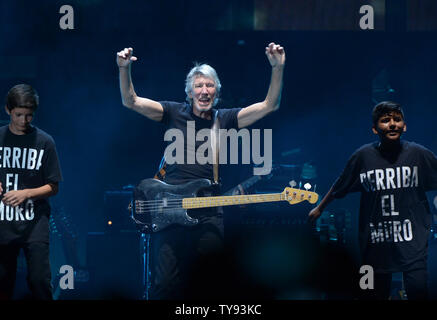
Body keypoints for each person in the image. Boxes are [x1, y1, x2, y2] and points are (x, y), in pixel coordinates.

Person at [117, 43, 285, 299]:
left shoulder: (225, 118)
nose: (204, 91)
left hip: (208, 213)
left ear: (217, 91)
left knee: (211, 285)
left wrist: (278, 68)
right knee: (165, 285)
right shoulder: (173, 113)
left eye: (209, 85)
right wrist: (124, 69)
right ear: (189, 91)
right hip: (169, 213)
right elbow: (131, 101)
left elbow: (269, 105)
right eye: (199, 85)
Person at [309, 101, 437, 300]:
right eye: (385, 120)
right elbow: (340, 183)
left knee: (419, 293)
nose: (392, 124)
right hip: (375, 243)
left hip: (413, 242)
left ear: (405, 126)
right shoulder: (363, 156)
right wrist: (319, 208)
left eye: (397, 119)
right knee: (371, 294)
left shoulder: (418, 153)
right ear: (374, 129)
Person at [0, 84, 63, 300]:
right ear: (8, 110)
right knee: (3, 282)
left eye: (28, 115)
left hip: (35, 223)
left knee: (39, 281)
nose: (23, 121)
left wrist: (26, 194)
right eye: (18, 115)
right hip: (2, 224)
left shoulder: (45, 142)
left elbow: (53, 186)